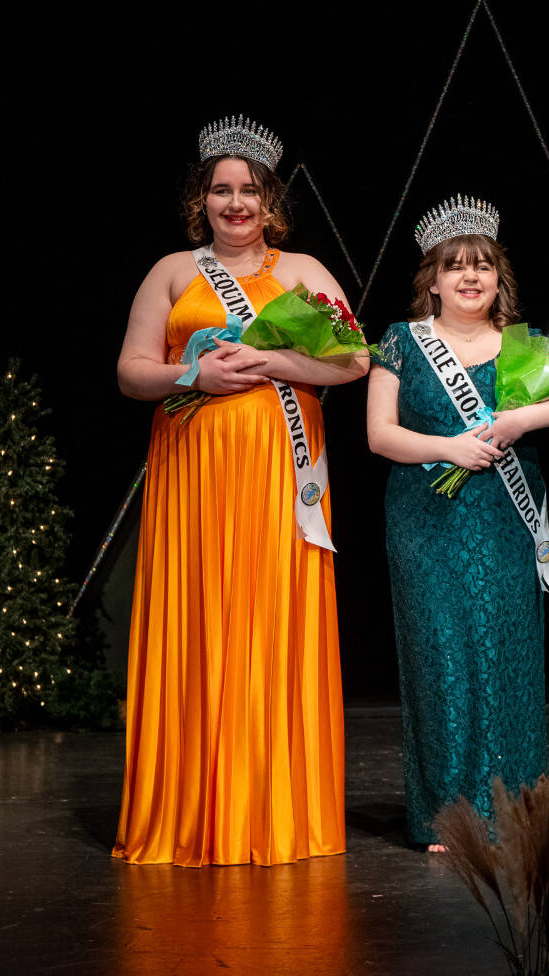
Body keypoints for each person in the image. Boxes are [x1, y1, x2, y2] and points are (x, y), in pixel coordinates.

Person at [114, 116, 366, 866]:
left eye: (248, 190)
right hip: (192, 481)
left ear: (269, 200)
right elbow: (131, 371)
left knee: (267, 623)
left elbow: (354, 363)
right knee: (198, 622)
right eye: (221, 189)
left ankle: (272, 814)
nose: (235, 203)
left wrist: (267, 366)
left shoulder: (304, 272)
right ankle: (190, 813)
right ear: (202, 198)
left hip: (277, 482)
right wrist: (195, 373)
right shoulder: (168, 271)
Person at [366, 196, 549, 850]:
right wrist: (449, 448)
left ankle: (512, 813)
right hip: (425, 516)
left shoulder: (520, 346)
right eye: (455, 266)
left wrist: (523, 420)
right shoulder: (399, 342)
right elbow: (379, 435)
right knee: (439, 657)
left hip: (504, 513)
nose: (471, 277)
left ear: (499, 278)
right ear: (432, 279)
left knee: (507, 657)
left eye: (484, 266)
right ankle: (448, 816)